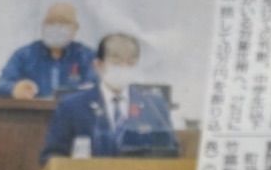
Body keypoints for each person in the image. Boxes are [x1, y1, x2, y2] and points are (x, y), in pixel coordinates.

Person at [39, 33, 177, 163]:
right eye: (116, 61)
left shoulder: (154, 106)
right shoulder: (72, 106)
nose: (124, 67)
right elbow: (51, 156)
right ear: (98, 65)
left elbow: (171, 154)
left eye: (130, 62)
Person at [0, 2, 96, 99]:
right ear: (43, 25)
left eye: (63, 22)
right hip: (33, 117)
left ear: (75, 28)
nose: (56, 27)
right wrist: (14, 89)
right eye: (50, 22)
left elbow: (97, 88)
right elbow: (0, 85)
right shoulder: (25, 55)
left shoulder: (86, 56)